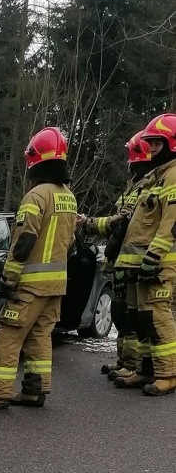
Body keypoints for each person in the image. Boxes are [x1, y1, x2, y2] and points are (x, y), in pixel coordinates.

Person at [0, 127, 77, 411]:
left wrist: (8, 278)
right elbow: (71, 242)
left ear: (35, 159)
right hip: (56, 285)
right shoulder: (69, 197)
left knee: (8, 334)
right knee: (40, 335)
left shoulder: (35, 197)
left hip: (30, 284)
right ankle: (34, 390)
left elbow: (24, 241)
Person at [79, 132, 153, 380]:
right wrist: (88, 223)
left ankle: (133, 365)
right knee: (121, 314)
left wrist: (88, 223)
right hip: (122, 260)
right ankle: (124, 360)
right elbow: (117, 223)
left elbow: (118, 223)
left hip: (135, 262)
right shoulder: (135, 184)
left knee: (131, 317)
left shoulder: (147, 186)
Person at [111, 113, 176, 397]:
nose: (150, 150)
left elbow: (171, 223)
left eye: (156, 145)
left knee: (157, 318)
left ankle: (168, 373)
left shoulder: (173, 177)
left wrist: (153, 258)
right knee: (140, 318)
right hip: (141, 264)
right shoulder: (155, 178)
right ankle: (147, 370)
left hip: (159, 264)